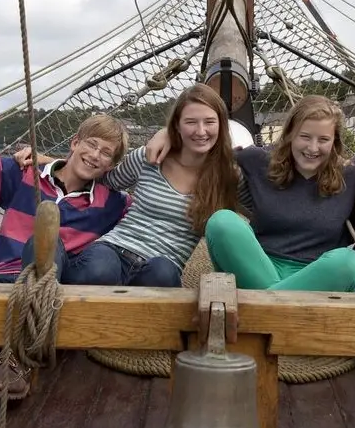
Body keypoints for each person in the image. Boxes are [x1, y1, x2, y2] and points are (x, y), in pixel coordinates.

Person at [0, 56, 130, 405]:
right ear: (75, 142)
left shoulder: (110, 203)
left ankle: (14, 357)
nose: (95, 155)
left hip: (46, 301)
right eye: (91, 144)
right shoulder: (24, 177)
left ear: (111, 165)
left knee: (48, 244)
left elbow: (160, 201)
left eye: (106, 153)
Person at [15, 83, 240, 287]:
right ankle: (48, 272)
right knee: (100, 270)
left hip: (162, 263)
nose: (201, 131)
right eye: (190, 122)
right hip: (114, 249)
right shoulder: (150, 158)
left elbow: (261, 200)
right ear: (177, 126)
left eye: (209, 122)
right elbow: (102, 178)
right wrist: (52, 162)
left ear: (222, 124)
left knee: (163, 276)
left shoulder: (229, 176)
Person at [148, 95, 355, 292]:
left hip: (315, 276)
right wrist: (167, 133)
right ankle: (280, 303)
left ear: (334, 141)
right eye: (305, 137)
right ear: (290, 135)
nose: (313, 147)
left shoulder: (351, 176)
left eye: (323, 140)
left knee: (350, 262)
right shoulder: (260, 161)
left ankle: (266, 304)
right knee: (222, 221)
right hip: (257, 268)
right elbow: (211, 151)